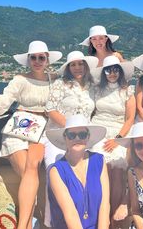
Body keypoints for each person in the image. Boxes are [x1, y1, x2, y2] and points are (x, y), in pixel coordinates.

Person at [0, 40, 62, 229]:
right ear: (28, 60)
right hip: (19, 127)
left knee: (32, 169)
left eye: (41, 58)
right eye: (33, 57)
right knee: (28, 173)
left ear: (47, 60)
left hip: (42, 129)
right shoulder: (20, 79)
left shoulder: (55, 80)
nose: (37, 61)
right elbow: (4, 101)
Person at [44, 50, 98, 226]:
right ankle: (55, 221)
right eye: (73, 64)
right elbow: (51, 110)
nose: (77, 67)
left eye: (80, 63)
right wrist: (69, 130)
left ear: (86, 66)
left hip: (83, 137)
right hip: (60, 135)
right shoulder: (60, 84)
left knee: (91, 172)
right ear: (68, 68)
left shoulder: (93, 86)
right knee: (54, 167)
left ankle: (88, 217)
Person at [91, 55, 136, 225]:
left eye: (116, 69)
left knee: (117, 170)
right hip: (98, 130)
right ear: (103, 72)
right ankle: (100, 213)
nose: (112, 73)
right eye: (108, 70)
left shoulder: (127, 91)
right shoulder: (96, 89)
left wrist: (117, 139)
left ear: (120, 71)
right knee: (101, 169)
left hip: (119, 132)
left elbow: (130, 119)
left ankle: (112, 216)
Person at [46, 114, 110, 229]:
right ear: (65, 137)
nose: (77, 139)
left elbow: (104, 206)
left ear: (88, 137)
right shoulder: (56, 171)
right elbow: (70, 215)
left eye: (82, 134)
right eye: (71, 135)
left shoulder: (99, 161)